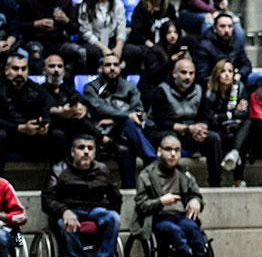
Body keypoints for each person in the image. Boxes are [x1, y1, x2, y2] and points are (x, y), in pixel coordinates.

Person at [41, 135, 122, 257]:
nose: (86, 152)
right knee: (65, 224)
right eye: (81, 148)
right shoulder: (59, 170)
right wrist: (64, 211)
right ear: (73, 152)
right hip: (70, 210)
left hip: (95, 210)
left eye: (90, 148)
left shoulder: (102, 169)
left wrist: (110, 210)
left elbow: (115, 197)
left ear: (95, 152)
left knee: (113, 218)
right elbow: (47, 199)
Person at [133, 135, 213, 257]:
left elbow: (196, 194)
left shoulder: (183, 173)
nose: (173, 154)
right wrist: (161, 201)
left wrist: (196, 201)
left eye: (177, 150)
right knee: (173, 230)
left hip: (179, 217)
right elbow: (141, 205)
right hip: (157, 219)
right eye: (168, 149)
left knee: (192, 228)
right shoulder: (146, 175)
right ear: (159, 151)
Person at [0, 53, 65, 171]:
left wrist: (44, 124)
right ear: (6, 70)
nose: (20, 73)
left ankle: (57, 180)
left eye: (23, 69)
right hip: (2, 133)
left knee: (57, 135)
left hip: (26, 135)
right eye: (15, 69)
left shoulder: (33, 87)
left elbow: (46, 107)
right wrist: (19, 127)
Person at [84, 53, 155, 189]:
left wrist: (115, 119)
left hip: (123, 134)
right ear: (101, 68)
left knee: (126, 148)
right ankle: (151, 158)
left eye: (115, 65)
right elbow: (99, 109)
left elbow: (138, 110)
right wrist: (126, 115)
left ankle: (130, 190)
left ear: (120, 67)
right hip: (100, 133)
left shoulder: (129, 86)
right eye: (108, 65)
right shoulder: (90, 88)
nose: (112, 68)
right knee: (128, 122)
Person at [151, 57, 224, 186]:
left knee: (214, 139)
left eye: (191, 73)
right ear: (174, 74)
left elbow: (206, 116)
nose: (188, 77)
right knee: (170, 138)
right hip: (168, 132)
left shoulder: (199, 90)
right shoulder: (161, 90)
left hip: (191, 133)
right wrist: (189, 128)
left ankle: (215, 183)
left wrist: (202, 129)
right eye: (183, 73)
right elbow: (162, 122)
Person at [18, 0, 83, 70]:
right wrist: (36, 24)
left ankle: (67, 82)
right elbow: (18, 26)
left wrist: (66, 21)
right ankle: (37, 84)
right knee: (36, 52)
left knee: (80, 52)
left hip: (58, 42)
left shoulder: (65, 0)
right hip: (35, 39)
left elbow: (75, 29)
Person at [203, 61, 250, 186]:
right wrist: (232, 113)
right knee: (214, 138)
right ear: (217, 74)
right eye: (223, 71)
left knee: (247, 125)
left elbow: (244, 113)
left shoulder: (239, 88)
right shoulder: (209, 92)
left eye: (230, 71)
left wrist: (225, 115)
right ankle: (216, 181)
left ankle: (237, 173)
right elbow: (210, 119)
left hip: (235, 129)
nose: (227, 75)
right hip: (218, 130)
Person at [77, 0, 128, 71]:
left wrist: (118, 48)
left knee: (132, 51)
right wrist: (103, 49)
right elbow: (85, 32)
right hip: (94, 43)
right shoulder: (85, 6)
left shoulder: (118, 4)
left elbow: (121, 28)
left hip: (112, 41)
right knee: (92, 53)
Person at [194, 12, 253, 85]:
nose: (227, 30)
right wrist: (221, 79)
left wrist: (239, 75)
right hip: (212, 86)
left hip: (233, 81)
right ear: (215, 29)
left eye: (230, 26)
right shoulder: (204, 46)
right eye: (222, 26)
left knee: (257, 77)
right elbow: (202, 75)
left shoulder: (236, 42)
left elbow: (246, 65)